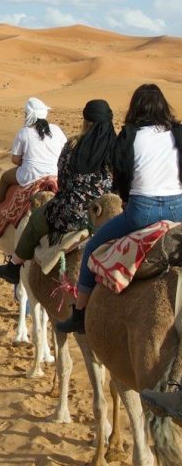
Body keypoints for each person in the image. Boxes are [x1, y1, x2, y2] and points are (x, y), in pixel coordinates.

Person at [57, 84, 182, 334]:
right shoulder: (178, 132)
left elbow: (122, 175)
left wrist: (126, 199)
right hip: (178, 209)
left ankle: (79, 314)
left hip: (141, 212)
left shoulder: (130, 135)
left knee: (91, 248)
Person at [0, 99, 116, 286]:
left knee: (35, 221)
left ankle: (14, 266)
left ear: (85, 122)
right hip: (107, 214)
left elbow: (62, 179)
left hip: (74, 213)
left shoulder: (73, 146)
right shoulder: (119, 149)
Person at [0, 97, 67, 222]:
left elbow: (15, 160)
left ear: (29, 115)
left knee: (4, 177)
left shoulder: (24, 132)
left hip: (30, 175)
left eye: (26, 113)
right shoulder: (56, 129)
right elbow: (65, 150)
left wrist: (26, 162)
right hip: (54, 173)